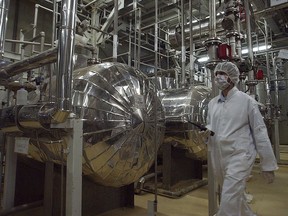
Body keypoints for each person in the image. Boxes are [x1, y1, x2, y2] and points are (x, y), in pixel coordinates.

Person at [206, 61, 278, 216]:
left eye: (222, 74)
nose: (218, 77)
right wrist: (207, 131)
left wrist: (268, 164)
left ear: (232, 77)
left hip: (240, 155)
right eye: (216, 74)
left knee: (228, 199)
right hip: (219, 156)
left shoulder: (247, 101)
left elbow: (260, 132)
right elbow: (213, 127)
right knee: (234, 197)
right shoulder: (213, 104)